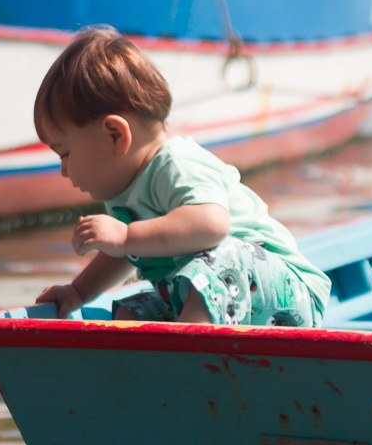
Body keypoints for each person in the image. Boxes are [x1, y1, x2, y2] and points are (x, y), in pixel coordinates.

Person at [34, 27, 332, 327]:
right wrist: (77, 291)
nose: (63, 170)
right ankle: (149, 365)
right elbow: (127, 253)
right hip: (228, 296)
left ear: (114, 135)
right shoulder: (125, 193)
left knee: (220, 261)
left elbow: (211, 224)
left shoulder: (176, 164)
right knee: (133, 310)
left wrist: (125, 237)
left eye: (65, 154)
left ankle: (193, 354)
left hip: (288, 294)